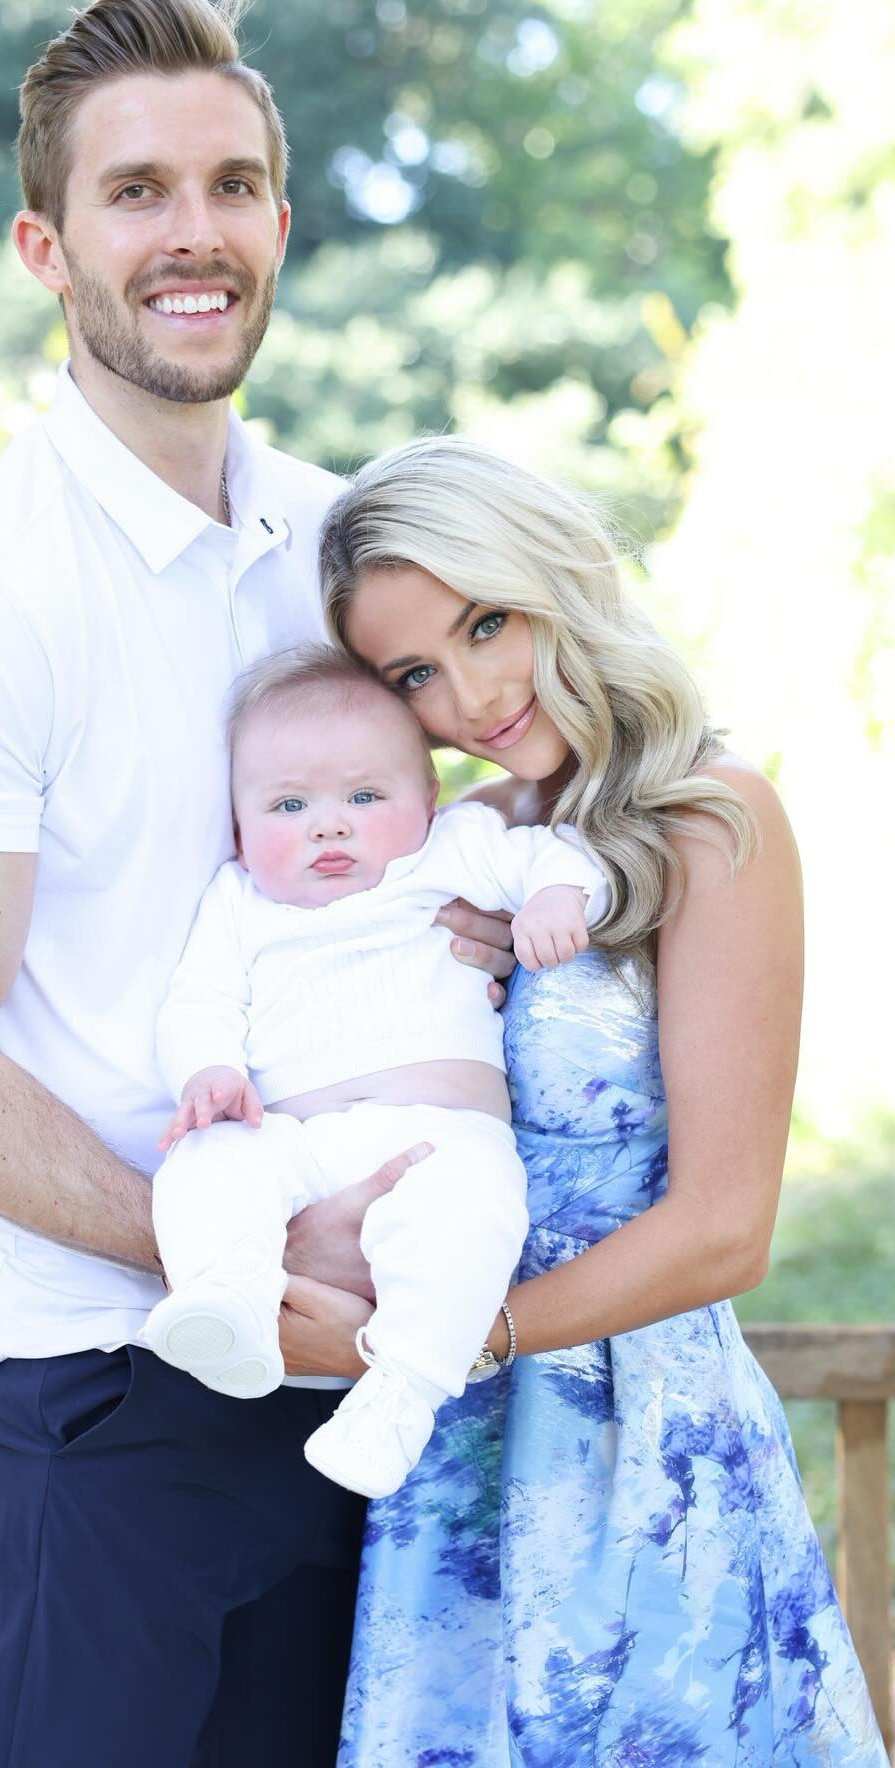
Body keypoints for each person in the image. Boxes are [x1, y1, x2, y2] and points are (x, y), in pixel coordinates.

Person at [0, 0, 510, 1766]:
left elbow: (542, 780)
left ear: (280, 220)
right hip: (98, 1393)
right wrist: (238, 1261)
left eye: (231, 185)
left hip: (368, 1383)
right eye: (136, 192)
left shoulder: (351, 554)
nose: (193, 231)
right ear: (46, 248)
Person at [275, 435, 888, 1765]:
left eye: (486, 622)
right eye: (414, 673)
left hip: (637, 1450)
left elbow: (726, 1230)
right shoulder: (453, 841)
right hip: (446, 1457)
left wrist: (457, 1342)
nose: (473, 694)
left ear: (553, 576)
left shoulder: (709, 820)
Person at [144, 644, 608, 1499]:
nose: (329, 825)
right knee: (204, 1159)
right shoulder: (239, 900)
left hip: (442, 1137)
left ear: (430, 797)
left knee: (467, 1222)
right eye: (289, 804)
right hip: (293, 1139)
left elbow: (562, 853)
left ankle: (402, 1395)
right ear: (239, 825)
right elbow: (197, 999)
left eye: (364, 797)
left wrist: (556, 898)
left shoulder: (455, 849)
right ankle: (228, 1296)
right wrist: (208, 1070)